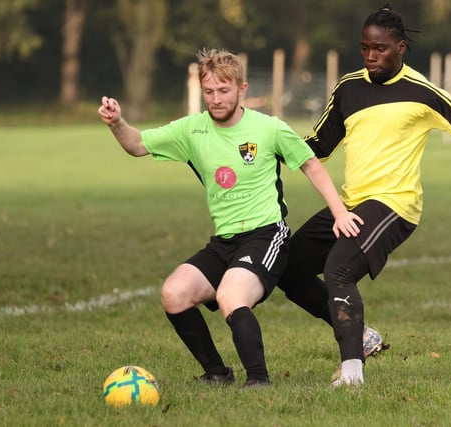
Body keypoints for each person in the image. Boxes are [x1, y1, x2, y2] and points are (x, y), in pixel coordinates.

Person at [97, 48, 362, 388]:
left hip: (267, 235)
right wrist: (117, 122)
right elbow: (136, 144)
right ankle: (218, 373)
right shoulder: (193, 129)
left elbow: (311, 164)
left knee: (230, 297)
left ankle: (259, 381)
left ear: (242, 89)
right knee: (174, 293)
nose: (216, 99)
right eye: (209, 92)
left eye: (224, 91)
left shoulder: (269, 128)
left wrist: (339, 212)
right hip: (224, 241)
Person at [278, 5, 451, 387]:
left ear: (400, 47)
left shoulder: (420, 92)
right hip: (349, 204)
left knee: (339, 270)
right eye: (365, 48)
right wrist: (275, 147)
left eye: (379, 49)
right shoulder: (348, 88)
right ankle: (361, 336)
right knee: (288, 269)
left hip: (394, 205)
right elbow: (319, 144)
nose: (370, 56)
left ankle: (352, 374)